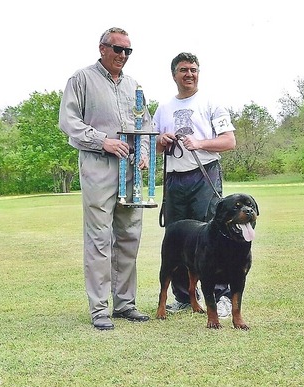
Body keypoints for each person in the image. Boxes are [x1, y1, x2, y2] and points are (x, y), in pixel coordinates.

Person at [59, 27, 152, 330]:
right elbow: (69, 122)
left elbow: (146, 125)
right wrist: (103, 141)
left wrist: (144, 153)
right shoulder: (81, 79)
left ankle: (125, 303)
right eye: (117, 49)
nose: (122, 56)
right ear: (102, 48)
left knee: (129, 236)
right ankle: (100, 309)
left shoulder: (134, 86)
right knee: (99, 239)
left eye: (128, 51)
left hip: (130, 171)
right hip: (98, 165)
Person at [153, 52, 236, 318]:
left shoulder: (211, 103)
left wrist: (199, 143)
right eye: (183, 70)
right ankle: (184, 297)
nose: (189, 74)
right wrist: (161, 141)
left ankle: (221, 296)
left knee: (214, 235)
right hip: (175, 178)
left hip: (205, 174)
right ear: (173, 74)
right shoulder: (163, 109)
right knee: (177, 238)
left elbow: (228, 141)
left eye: (193, 69)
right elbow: (152, 147)